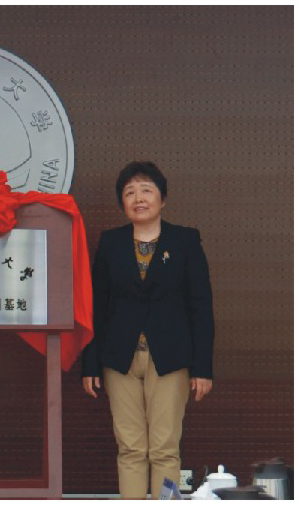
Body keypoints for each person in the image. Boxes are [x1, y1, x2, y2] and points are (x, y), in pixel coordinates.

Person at [81, 161, 215, 499]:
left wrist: (202, 368)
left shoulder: (185, 241)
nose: (138, 198)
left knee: (165, 447)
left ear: (162, 198)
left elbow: (201, 306)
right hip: (119, 358)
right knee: (130, 447)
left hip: (170, 358)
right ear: (122, 203)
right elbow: (96, 305)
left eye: (146, 190)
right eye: (129, 193)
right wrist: (90, 364)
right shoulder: (111, 243)